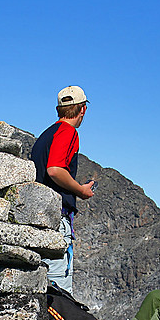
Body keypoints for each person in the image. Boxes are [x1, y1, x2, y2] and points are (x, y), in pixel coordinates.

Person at [30, 85, 96, 293]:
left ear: (59, 109)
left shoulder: (45, 135)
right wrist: (80, 191)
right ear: (83, 109)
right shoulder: (68, 133)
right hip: (56, 222)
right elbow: (55, 169)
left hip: (37, 220)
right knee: (59, 290)